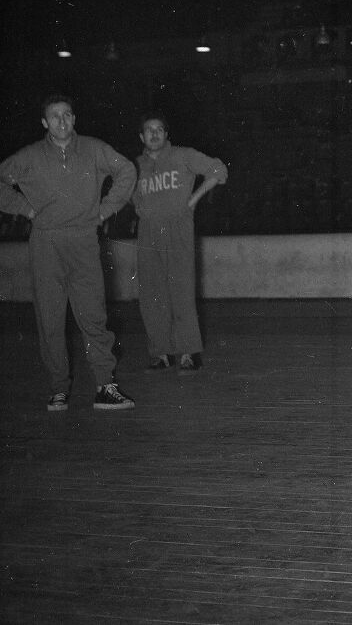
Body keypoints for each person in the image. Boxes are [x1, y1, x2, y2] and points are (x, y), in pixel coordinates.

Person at [0, 94, 137, 411]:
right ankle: (59, 387)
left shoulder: (93, 149)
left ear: (74, 119)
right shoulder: (30, 156)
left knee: (93, 315)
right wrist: (25, 208)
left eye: (67, 115)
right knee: (50, 318)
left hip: (84, 240)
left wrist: (104, 210)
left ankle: (105, 385)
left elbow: (126, 170)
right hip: (46, 243)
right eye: (54, 116)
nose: (62, 121)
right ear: (45, 123)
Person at [132, 111, 228, 374]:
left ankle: (187, 353)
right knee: (152, 294)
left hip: (178, 229)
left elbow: (219, 170)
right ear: (142, 136)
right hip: (148, 232)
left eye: (159, 129)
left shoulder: (182, 156)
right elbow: (127, 193)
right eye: (149, 130)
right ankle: (160, 353)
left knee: (181, 290)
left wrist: (193, 200)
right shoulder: (135, 166)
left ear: (166, 134)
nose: (154, 134)